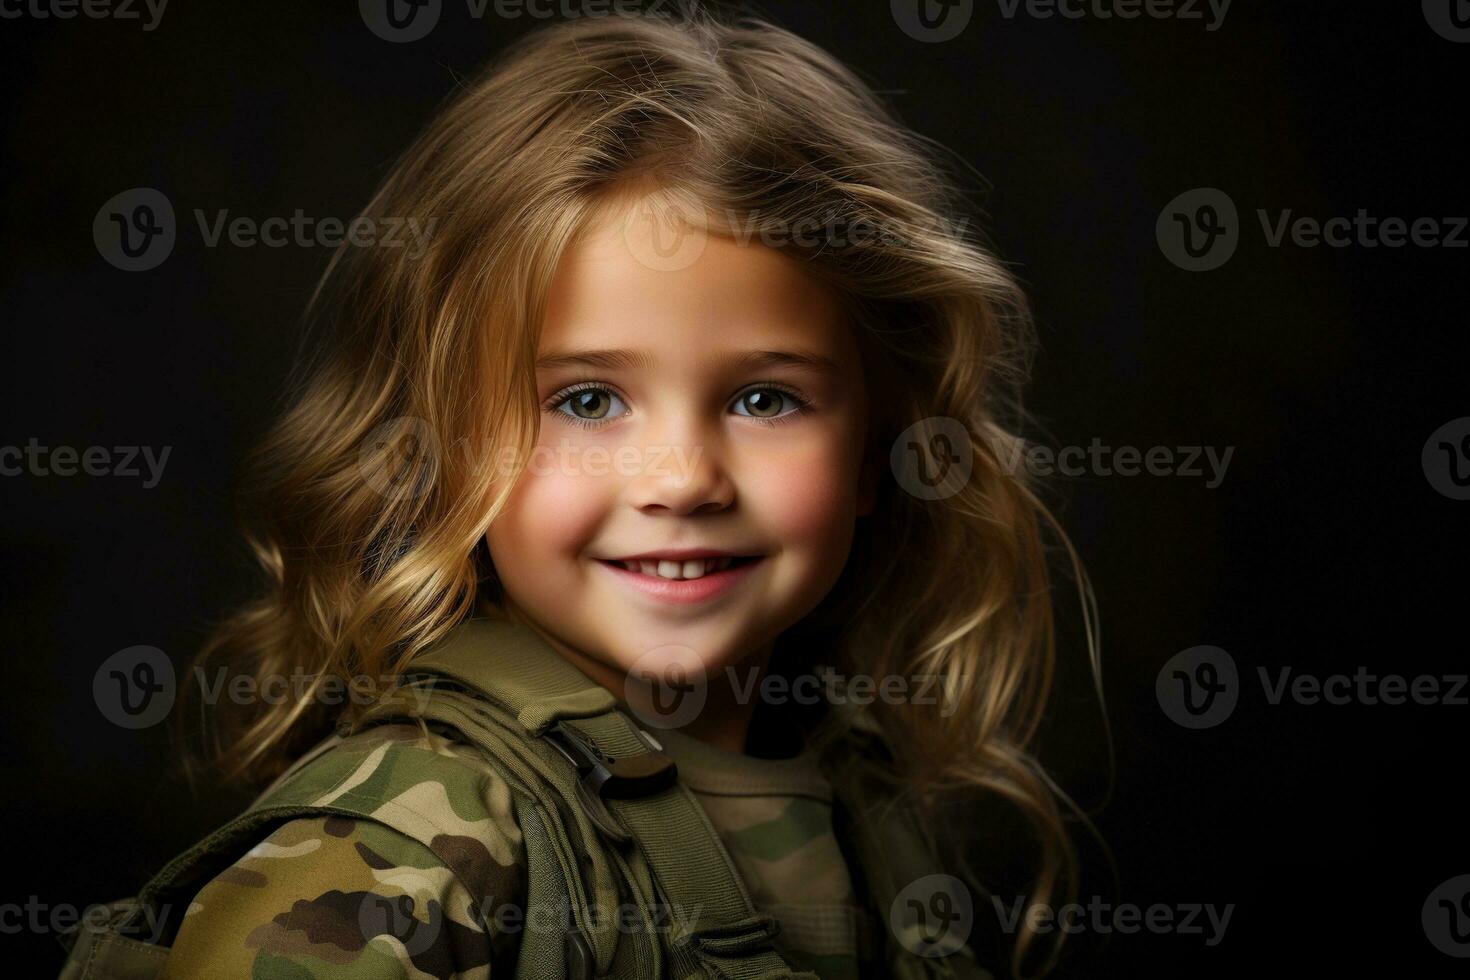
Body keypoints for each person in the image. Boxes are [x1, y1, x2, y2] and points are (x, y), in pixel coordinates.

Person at [109, 7, 1099, 978]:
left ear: (881, 446)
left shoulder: (861, 800)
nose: (683, 479)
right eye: (586, 399)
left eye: (765, 397)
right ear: (443, 451)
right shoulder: (403, 852)